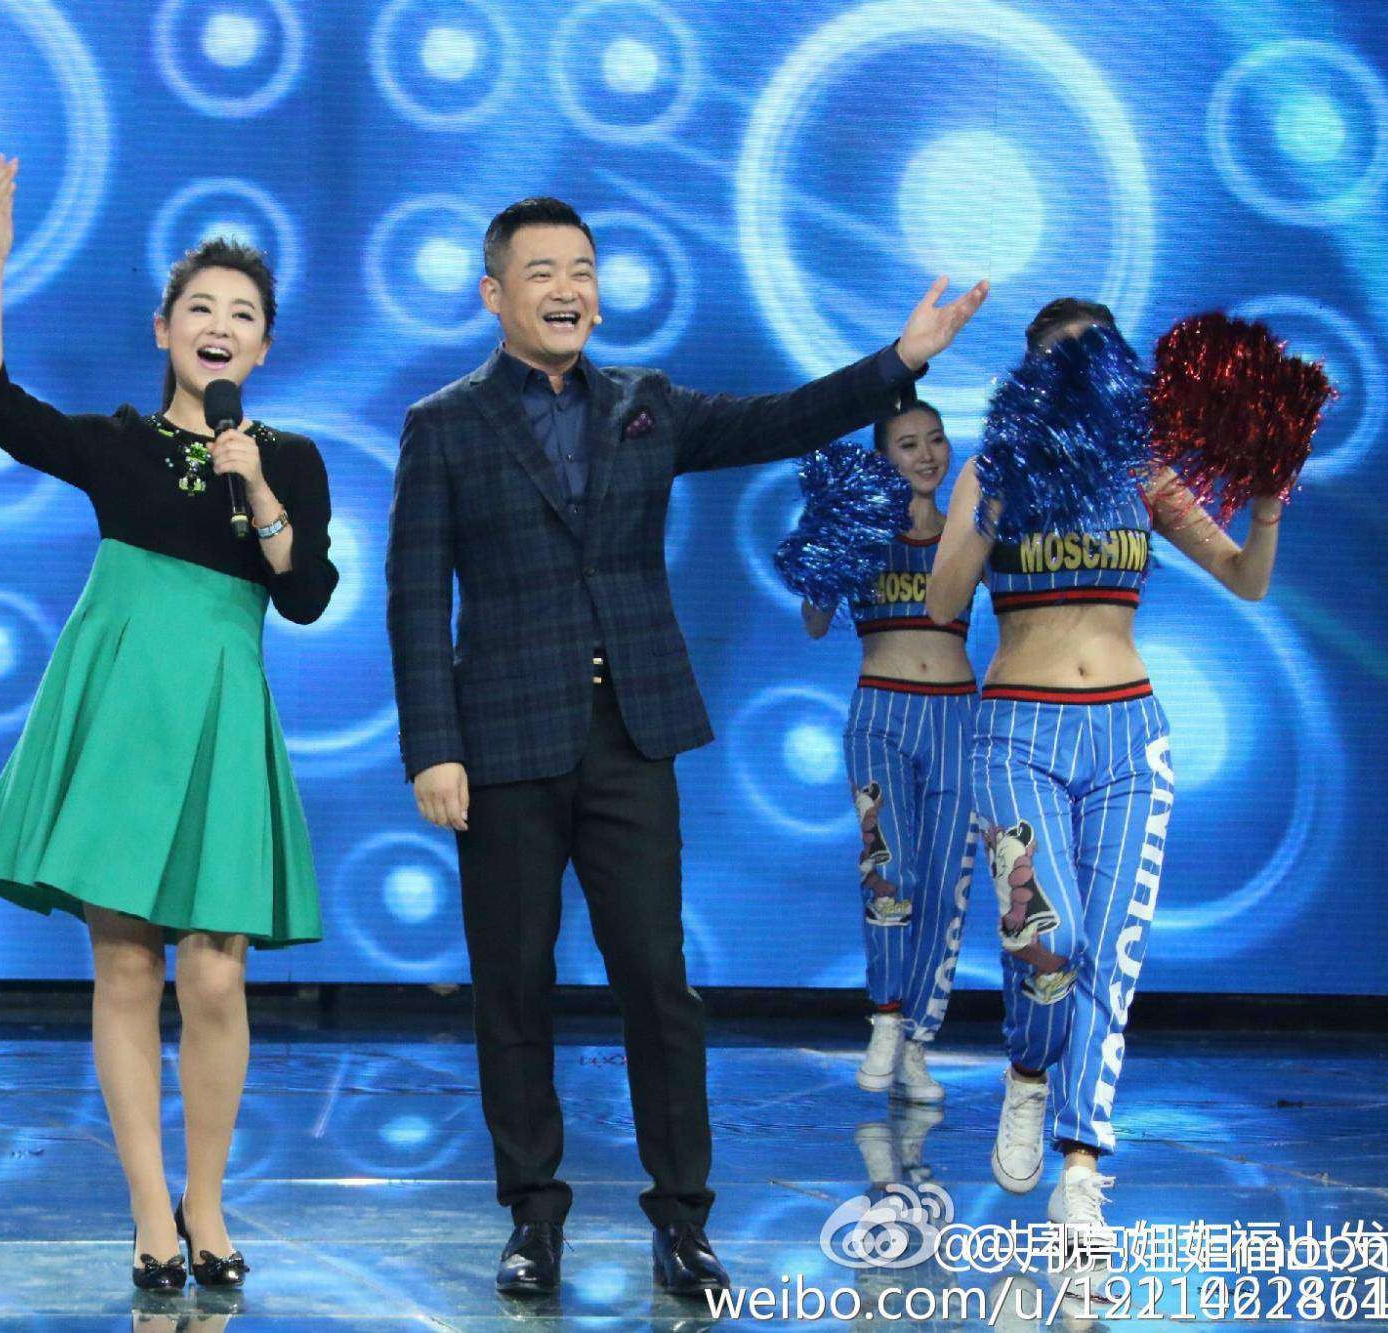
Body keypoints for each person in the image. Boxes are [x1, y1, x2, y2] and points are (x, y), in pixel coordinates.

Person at [386, 195, 986, 1298]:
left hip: (633, 734)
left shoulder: (644, 405)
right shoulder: (445, 424)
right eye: (541, 272)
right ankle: (532, 1215)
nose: (567, 289)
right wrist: (433, 746)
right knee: (511, 988)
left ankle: (682, 1219)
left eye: (582, 269)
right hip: (502, 744)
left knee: (658, 984)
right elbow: (416, 596)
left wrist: (900, 362)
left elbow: (783, 420)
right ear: (493, 293)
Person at [0, 156, 337, 1292]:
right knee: (126, 966)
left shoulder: (289, 459)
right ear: (163, 329)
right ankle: (147, 1216)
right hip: (122, 716)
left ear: (263, 347)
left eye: (242, 315)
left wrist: (255, 486)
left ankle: (206, 1203)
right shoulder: (119, 442)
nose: (219, 327)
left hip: (218, 716)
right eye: (200, 309)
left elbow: (305, 595)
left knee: (214, 972)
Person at [925, 296, 1282, 1274]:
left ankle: (1080, 1166)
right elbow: (944, 600)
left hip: (1128, 736)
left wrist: (1264, 504)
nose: (1076, 368)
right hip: (1017, 732)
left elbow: (1245, 578)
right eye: (1057, 355)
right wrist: (991, 497)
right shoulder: (993, 469)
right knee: (1048, 938)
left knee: (1110, 954)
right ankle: (1026, 1066)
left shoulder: (1141, 471)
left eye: (1092, 352)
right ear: (1027, 373)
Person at [801, 403, 976, 1102]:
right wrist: (827, 538)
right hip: (880, 715)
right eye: (908, 444)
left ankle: (917, 1043)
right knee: (888, 868)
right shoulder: (862, 531)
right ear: (884, 458)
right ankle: (884, 1017)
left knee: (946, 885)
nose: (927, 454)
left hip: (958, 718)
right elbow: (815, 624)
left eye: (936, 440)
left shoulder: (969, 533)